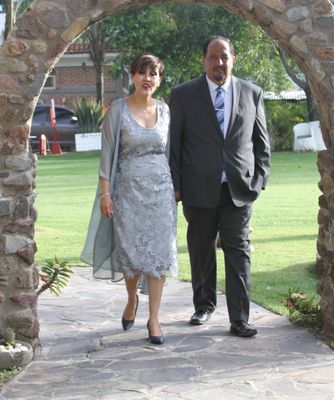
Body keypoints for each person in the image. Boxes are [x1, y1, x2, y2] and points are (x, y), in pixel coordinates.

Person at [169, 35, 270, 337]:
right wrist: (176, 185)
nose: (219, 63)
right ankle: (204, 305)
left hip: (238, 190)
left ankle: (240, 318)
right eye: (213, 57)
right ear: (204, 60)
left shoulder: (252, 93)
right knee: (201, 251)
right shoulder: (184, 95)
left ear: (233, 59)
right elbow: (174, 146)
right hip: (198, 188)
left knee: (238, 252)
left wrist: (259, 180)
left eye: (224, 56)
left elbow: (261, 143)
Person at [81, 53, 177, 345]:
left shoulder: (166, 110)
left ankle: (154, 319)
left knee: (159, 255)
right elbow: (107, 152)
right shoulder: (118, 110)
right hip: (127, 192)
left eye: (154, 74)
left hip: (161, 193)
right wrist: (105, 192)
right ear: (133, 76)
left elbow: (170, 152)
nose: (148, 79)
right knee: (132, 255)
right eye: (142, 73)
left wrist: (176, 190)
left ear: (159, 80)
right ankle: (132, 299)